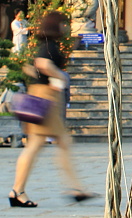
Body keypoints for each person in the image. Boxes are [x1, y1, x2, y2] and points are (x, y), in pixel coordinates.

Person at [8, 11, 91, 207]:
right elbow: (41, 64)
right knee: (39, 145)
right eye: (64, 24)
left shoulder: (42, 45)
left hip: (42, 94)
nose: (66, 28)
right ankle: (17, 190)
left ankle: (75, 188)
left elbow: (29, 68)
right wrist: (59, 76)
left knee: (58, 142)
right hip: (46, 97)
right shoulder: (49, 47)